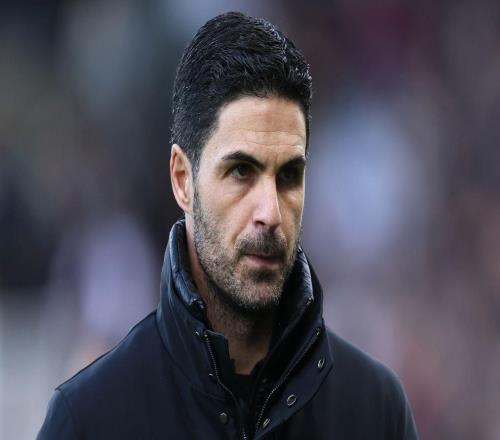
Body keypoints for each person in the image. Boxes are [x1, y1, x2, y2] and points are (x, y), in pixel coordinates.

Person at [38, 11, 418, 439]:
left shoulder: (375, 410)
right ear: (183, 180)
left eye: (289, 175)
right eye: (241, 172)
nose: (270, 212)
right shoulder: (90, 420)